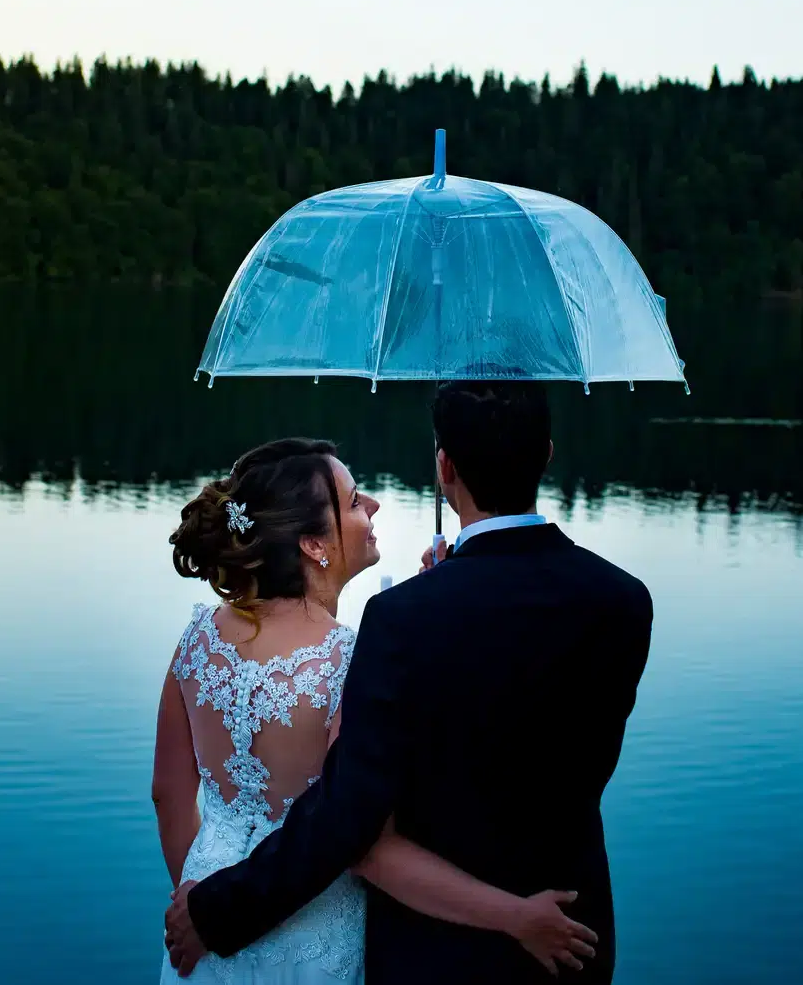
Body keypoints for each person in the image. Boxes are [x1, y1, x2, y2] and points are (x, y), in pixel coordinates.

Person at [164, 388, 655, 983]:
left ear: (444, 467)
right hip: (572, 938)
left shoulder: (400, 621)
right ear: (547, 455)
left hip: (432, 950)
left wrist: (210, 908)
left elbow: (350, 820)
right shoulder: (624, 602)